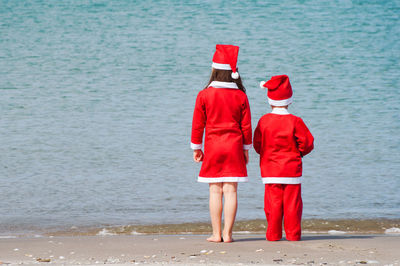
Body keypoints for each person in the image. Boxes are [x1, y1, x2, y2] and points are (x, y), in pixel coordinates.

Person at [191, 44, 252, 243]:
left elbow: (197, 124)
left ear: (214, 70)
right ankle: (228, 234)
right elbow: (246, 126)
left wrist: (196, 147)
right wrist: (246, 149)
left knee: (215, 189)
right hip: (234, 146)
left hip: (213, 146)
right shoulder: (241, 95)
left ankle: (216, 234)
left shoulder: (204, 95)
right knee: (231, 190)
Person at [253, 74, 314, 241]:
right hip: (291, 169)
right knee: (292, 205)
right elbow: (308, 143)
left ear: (270, 100)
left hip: (270, 169)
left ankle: (273, 235)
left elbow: (257, 144)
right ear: (290, 101)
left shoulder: (264, 121)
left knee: (273, 204)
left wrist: (266, 155)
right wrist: (298, 153)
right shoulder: (295, 121)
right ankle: (293, 235)